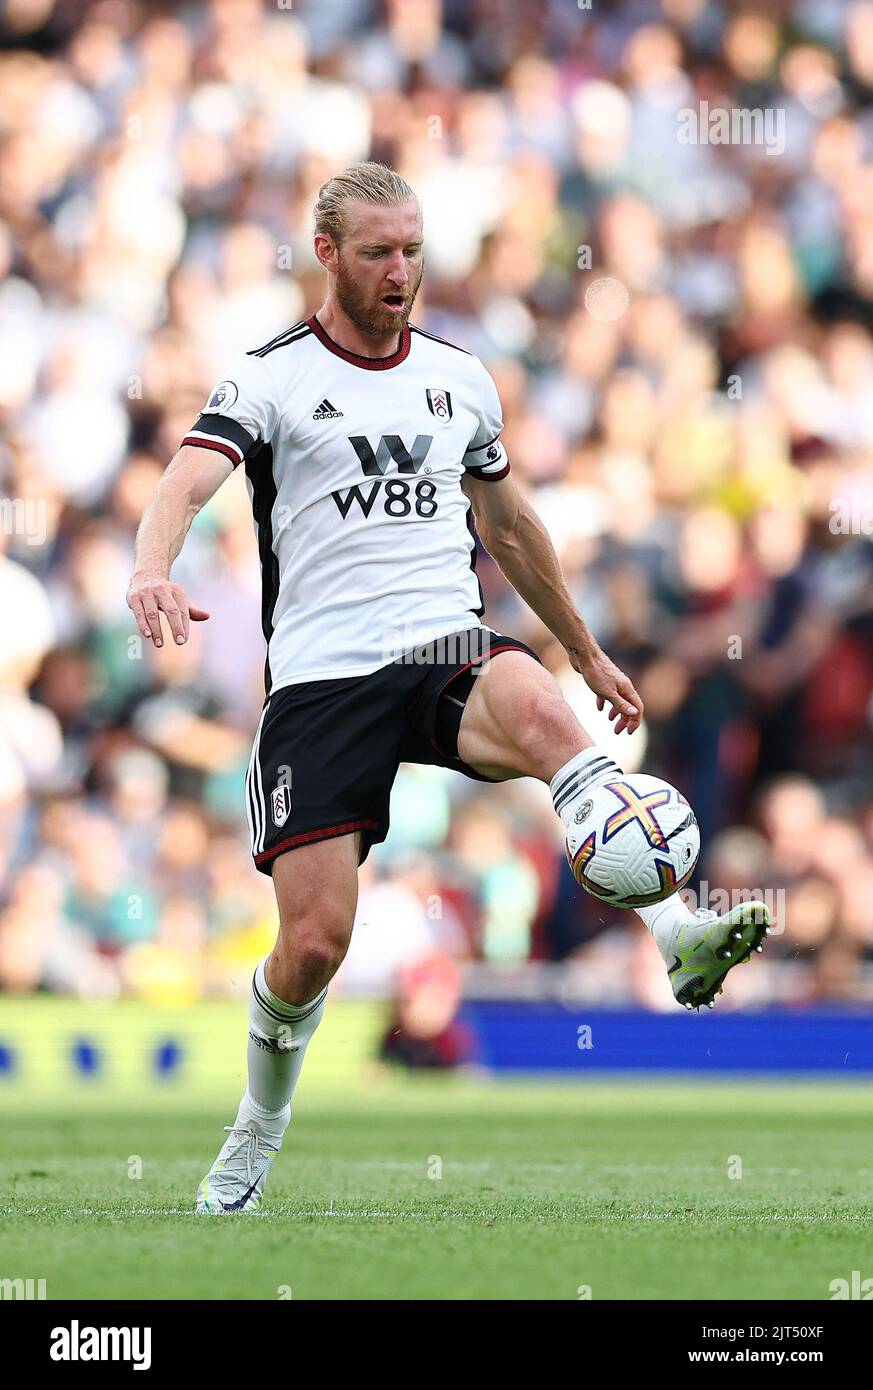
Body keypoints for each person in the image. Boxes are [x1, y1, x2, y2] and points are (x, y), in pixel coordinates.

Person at [127, 162, 769, 1215]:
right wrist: (153, 566)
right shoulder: (272, 375)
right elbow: (185, 481)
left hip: (440, 646)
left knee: (547, 714)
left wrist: (583, 644)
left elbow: (510, 524)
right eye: (377, 250)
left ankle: (675, 933)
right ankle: (256, 1130)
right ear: (327, 254)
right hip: (324, 680)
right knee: (315, 944)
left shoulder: (459, 376)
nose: (400, 270)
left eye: (413, 248)